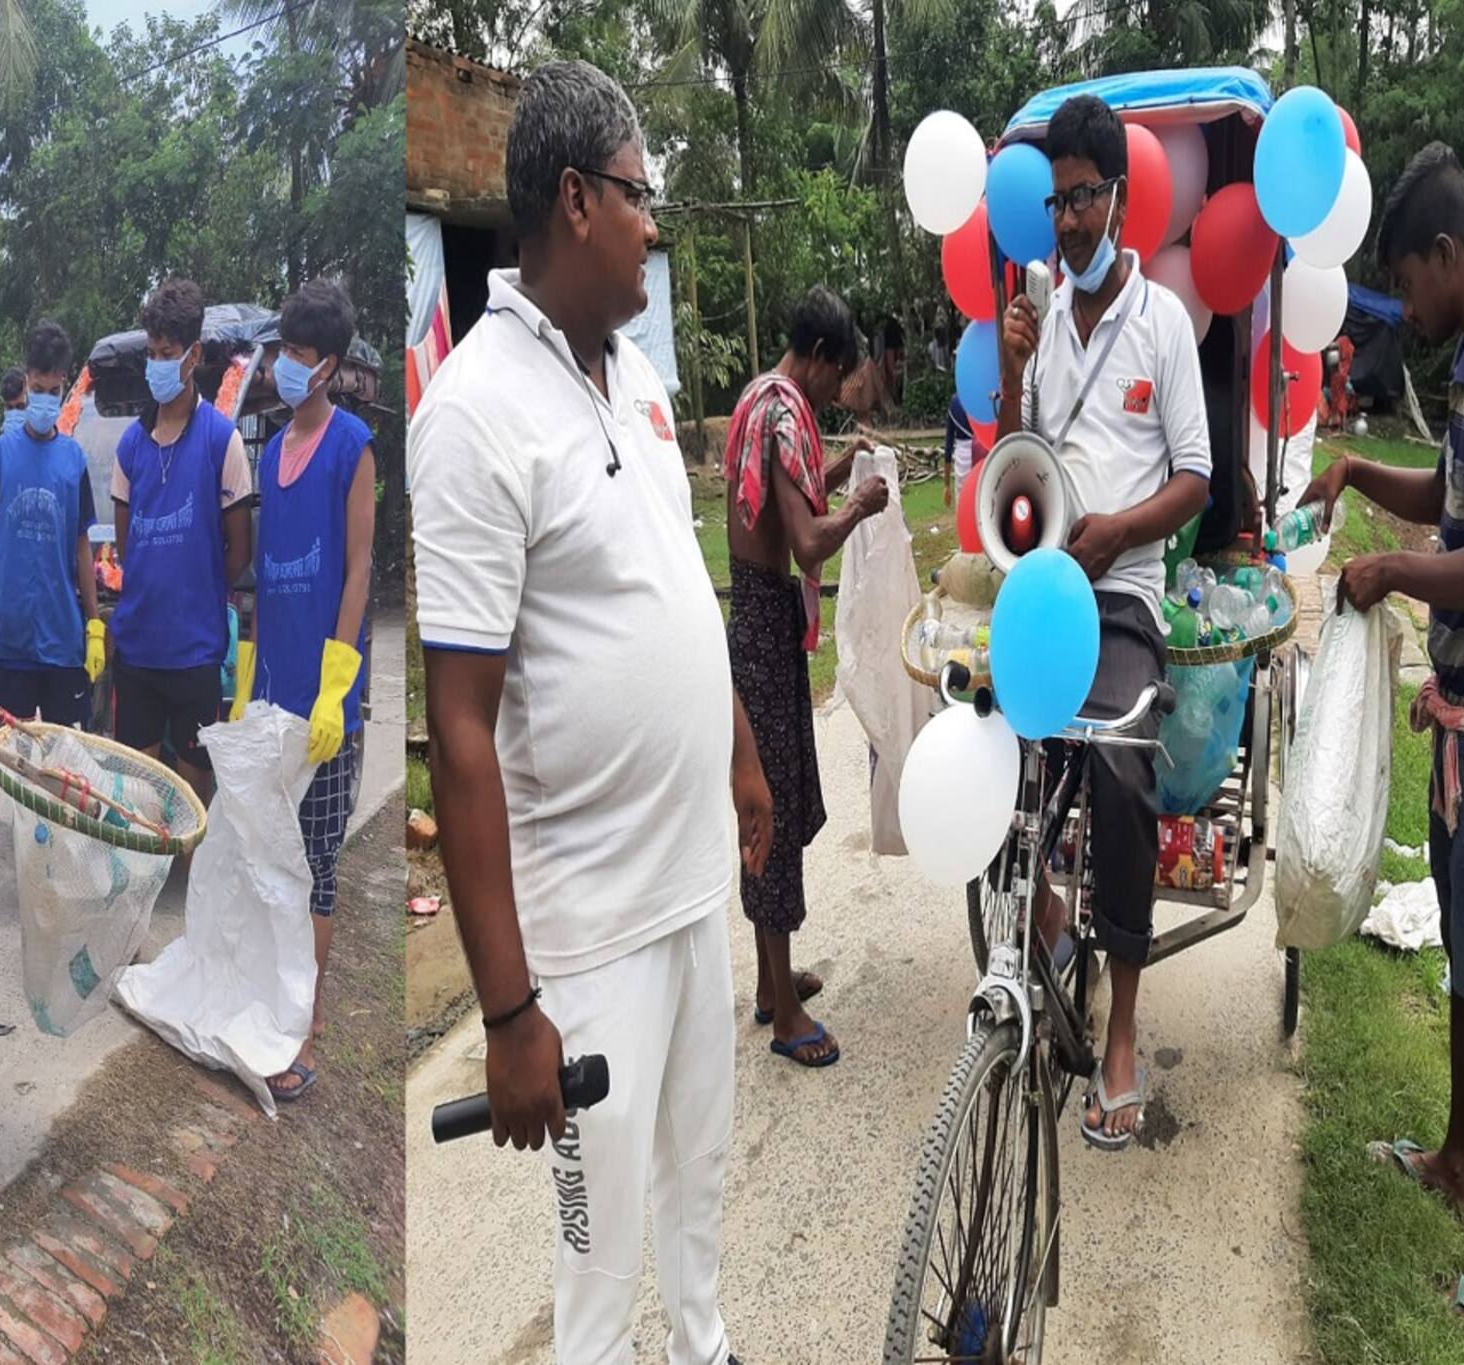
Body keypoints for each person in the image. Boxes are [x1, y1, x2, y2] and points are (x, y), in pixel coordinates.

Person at [409, 59, 771, 1365]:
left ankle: (708, 1345)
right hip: (589, 933)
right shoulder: (471, 419)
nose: (653, 223)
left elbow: (679, 586)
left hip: (684, 893)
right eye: (638, 194)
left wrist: (738, 756)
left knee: (700, 1179)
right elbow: (458, 728)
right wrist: (508, 1014)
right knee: (596, 1249)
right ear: (573, 200)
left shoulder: (640, 379)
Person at [1304, 142, 1464, 1342]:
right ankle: (1453, 1159)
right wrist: (1352, 469)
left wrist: (1391, 572)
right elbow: (1452, 505)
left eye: (1406, 278)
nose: (1405, 303)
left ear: (1446, 256)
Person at [996, 93, 1211, 1150]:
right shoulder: (1040, 326)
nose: (1067, 222)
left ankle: (1120, 1027)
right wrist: (1007, 364)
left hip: (1120, 589)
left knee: (1120, 770)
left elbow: (1196, 477)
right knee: (995, 744)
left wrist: (1112, 533)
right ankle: (1032, 930)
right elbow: (1016, 463)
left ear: (1117, 198)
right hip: (1045, 584)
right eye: (1054, 203)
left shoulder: (1160, 322)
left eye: (1081, 197)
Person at [723, 285, 885, 1068]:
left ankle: (769, 980)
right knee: (773, 816)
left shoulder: (761, 396)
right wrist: (859, 507)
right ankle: (785, 1015)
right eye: (838, 376)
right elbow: (809, 541)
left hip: (757, 623)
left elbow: (790, 491)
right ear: (818, 359)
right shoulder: (788, 411)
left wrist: (846, 462)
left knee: (775, 806)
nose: (835, 392)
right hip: (759, 628)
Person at [227, 280, 375, 1104]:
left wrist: (337, 685)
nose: (286, 366)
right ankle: (271, 1001)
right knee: (266, 860)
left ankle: (300, 1027)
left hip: (324, 706)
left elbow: (356, 570)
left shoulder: (352, 448)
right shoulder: (273, 446)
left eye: (301, 355)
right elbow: (260, 574)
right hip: (274, 693)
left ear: (331, 367)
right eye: (283, 349)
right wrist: (252, 679)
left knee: (315, 865)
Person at [110, 277, 254, 802]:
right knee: (141, 796)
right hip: (138, 649)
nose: (156, 364)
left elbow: (239, 552)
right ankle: (146, 885)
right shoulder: (130, 447)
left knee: (194, 791)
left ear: (192, 355)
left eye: (166, 353)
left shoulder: (222, 441)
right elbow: (127, 549)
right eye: (150, 353)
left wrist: (198, 588)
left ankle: (196, 886)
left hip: (195, 654)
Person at [0, 321, 100, 728]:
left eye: (54, 391)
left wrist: (95, 622)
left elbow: (82, 545)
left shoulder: (74, 461)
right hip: (10, 634)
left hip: (62, 636)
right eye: (38, 389)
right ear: (26, 383)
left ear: (64, 388)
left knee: (64, 758)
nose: (45, 399)